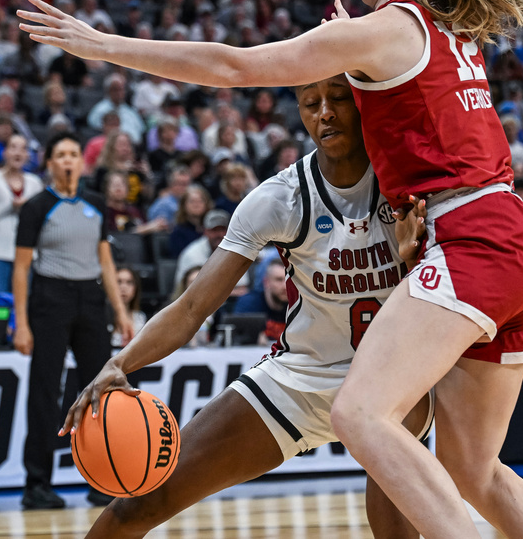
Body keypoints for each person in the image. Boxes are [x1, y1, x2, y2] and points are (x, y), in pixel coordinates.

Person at [20, 0, 523, 538]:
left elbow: (232, 65)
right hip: (516, 242)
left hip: (472, 239)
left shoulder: (385, 31)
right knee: (474, 470)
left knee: (362, 415)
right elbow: (196, 304)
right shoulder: (448, 30)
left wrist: (103, 44)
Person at [60, 77, 433, 538]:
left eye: (338, 99)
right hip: (300, 377)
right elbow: (194, 305)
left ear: (362, 104)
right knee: (139, 504)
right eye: (310, 103)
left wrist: (414, 258)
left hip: (392, 381)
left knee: (396, 512)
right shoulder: (280, 197)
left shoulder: (411, 182)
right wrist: (120, 362)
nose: (325, 113)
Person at [12, 131, 134, 510]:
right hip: (50, 297)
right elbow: (20, 269)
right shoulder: (35, 207)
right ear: (49, 162)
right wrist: (21, 322)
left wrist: (121, 311)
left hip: (90, 298)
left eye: (73, 154)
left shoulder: (96, 204)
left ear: (83, 162)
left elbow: (106, 262)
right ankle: (37, 484)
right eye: (60, 154)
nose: (68, 160)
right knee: (45, 391)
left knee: (100, 391)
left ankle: (101, 480)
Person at [0, 133, 44, 294]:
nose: (18, 153)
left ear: (28, 155)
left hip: (26, 253)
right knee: (0, 304)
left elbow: (41, 220)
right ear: (5, 152)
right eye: (13, 147)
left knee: (23, 302)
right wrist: (10, 206)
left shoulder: (35, 183)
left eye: (23, 149)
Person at [174, 209, 250, 298]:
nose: (219, 234)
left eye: (222, 230)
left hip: (229, 304)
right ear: (205, 231)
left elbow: (242, 289)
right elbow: (188, 289)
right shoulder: (192, 254)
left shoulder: (235, 251)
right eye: (214, 230)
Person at [233, 259, 289, 345]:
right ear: (266, 282)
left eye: (289, 280)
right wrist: (252, 338)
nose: (285, 286)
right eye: (279, 280)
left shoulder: (299, 306)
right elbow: (236, 337)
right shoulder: (250, 304)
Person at [111, 266, 147, 347]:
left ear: (136, 288)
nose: (123, 287)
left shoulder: (140, 317)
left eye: (129, 282)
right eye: (118, 282)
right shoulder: (102, 317)